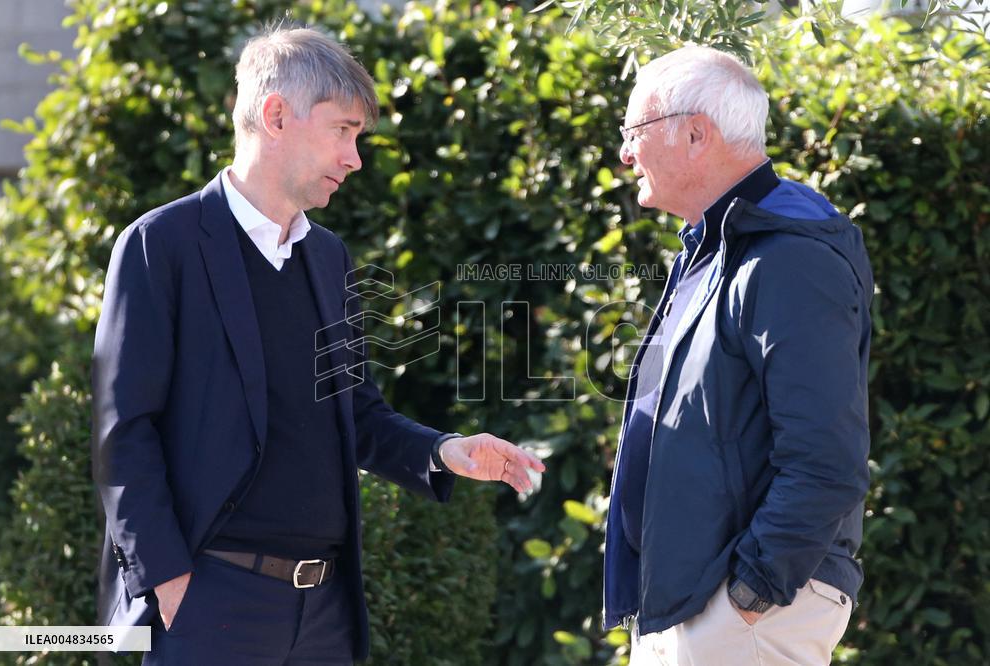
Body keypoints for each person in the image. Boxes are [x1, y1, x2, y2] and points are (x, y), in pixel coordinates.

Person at [91, 26, 545, 665]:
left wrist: (444, 452)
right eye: (343, 131)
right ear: (276, 115)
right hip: (208, 604)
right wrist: (167, 580)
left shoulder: (328, 258)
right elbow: (123, 430)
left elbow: (357, 413)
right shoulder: (159, 245)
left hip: (325, 614)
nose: (354, 157)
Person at [603, 46, 872, 665]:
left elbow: (827, 459)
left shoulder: (789, 258)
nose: (625, 153)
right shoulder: (718, 249)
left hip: (745, 614)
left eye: (633, 131)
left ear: (696, 134)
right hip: (694, 607)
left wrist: (752, 592)